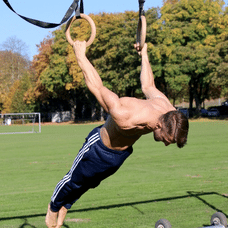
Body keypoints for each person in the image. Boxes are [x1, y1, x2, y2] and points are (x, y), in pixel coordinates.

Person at [45, 41, 189, 228]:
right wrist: (80, 55)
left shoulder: (167, 107)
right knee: (74, 179)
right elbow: (97, 87)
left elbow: (148, 84)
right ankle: (54, 206)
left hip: (119, 156)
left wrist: (144, 54)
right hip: (98, 148)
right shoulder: (126, 115)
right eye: (167, 140)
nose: (165, 144)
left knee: (90, 183)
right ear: (160, 125)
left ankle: (66, 205)